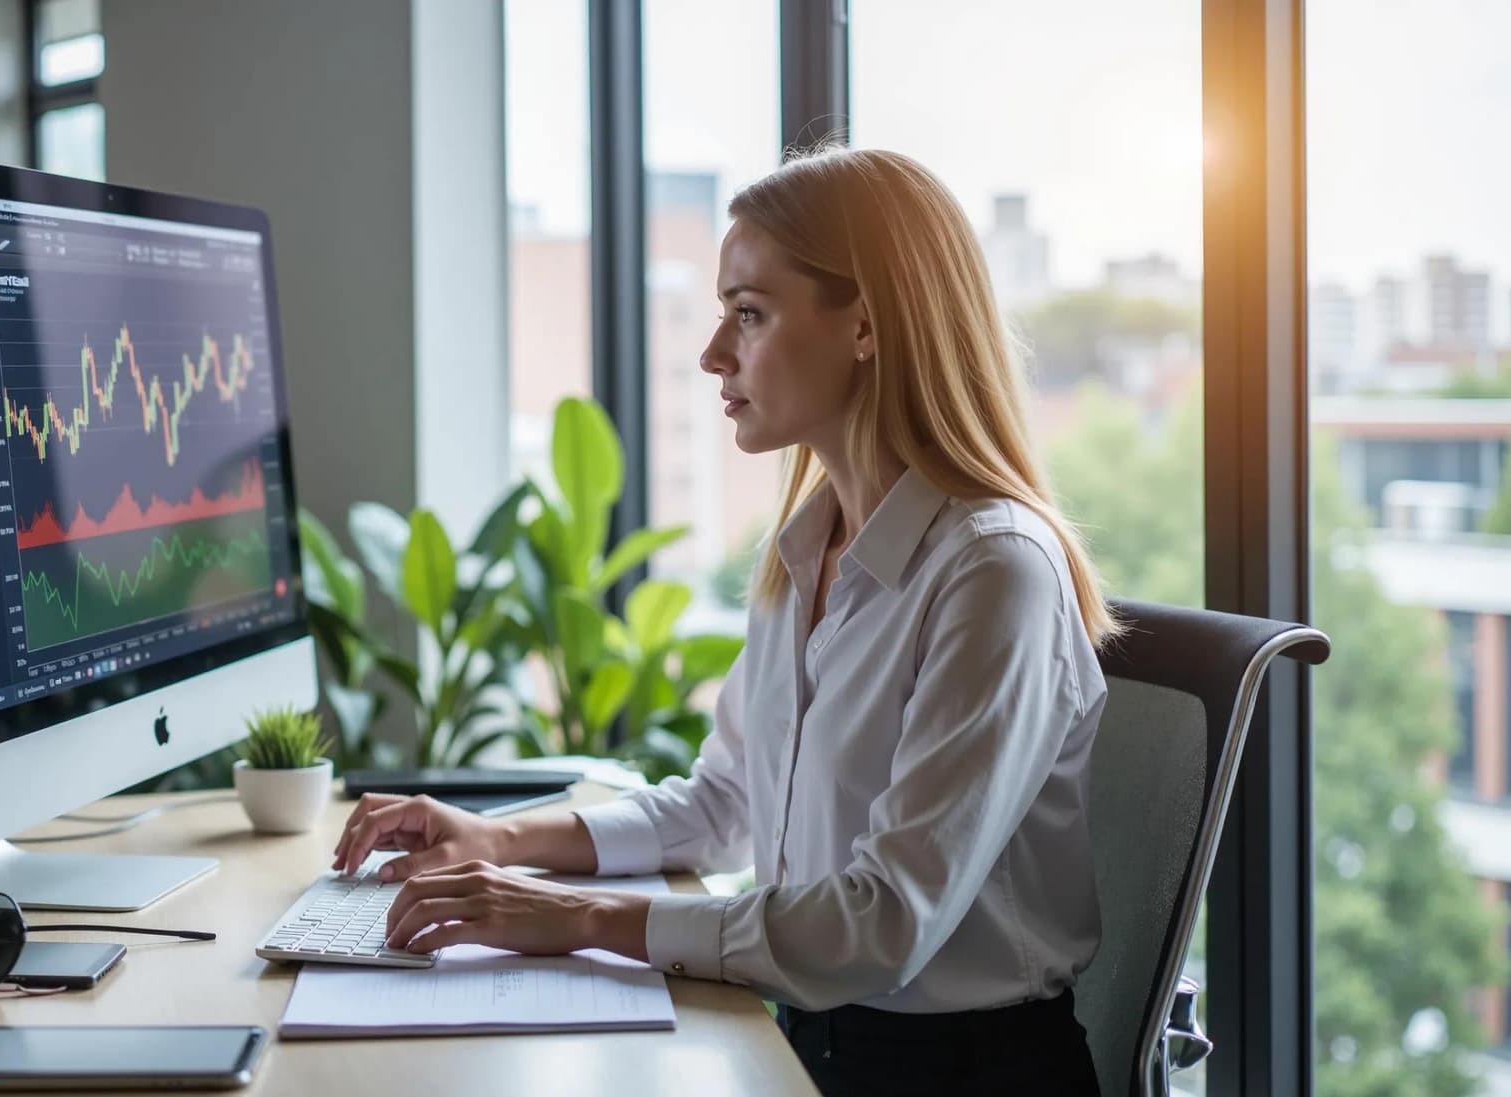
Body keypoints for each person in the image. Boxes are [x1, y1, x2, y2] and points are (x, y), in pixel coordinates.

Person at [330, 146, 1115, 1096]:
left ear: (865, 325)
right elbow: (725, 804)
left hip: (961, 1074)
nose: (711, 353)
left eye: (749, 313)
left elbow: (882, 923)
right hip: (800, 1038)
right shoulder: (803, 548)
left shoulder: (993, 571)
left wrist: (573, 919)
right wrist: (502, 841)